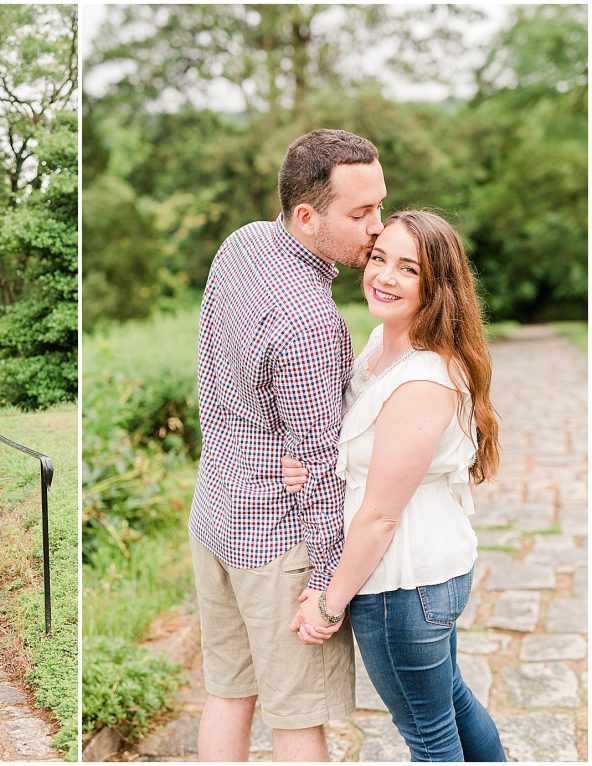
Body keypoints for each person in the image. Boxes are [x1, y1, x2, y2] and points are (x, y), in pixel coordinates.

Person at [188, 128, 386, 762]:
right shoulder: (311, 322)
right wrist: (327, 587)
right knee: (299, 723)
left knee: (227, 696)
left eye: (379, 205)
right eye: (360, 214)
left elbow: (216, 380)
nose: (377, 227)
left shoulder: (241, 243)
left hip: (214, 514)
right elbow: (322, 470)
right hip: (279, 544)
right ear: (307, 216)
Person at [284, 210, 506, 761]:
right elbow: (365, 447)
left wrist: (329, 604)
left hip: (400, 588)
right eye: (380, 258)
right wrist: (313, 467)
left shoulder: (424, 378)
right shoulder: (384, 348)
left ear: (436, 288)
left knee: (430, 737)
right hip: (424, 577)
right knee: (448, 704)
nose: (384, 276)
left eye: (408, 269)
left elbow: (381, 514)